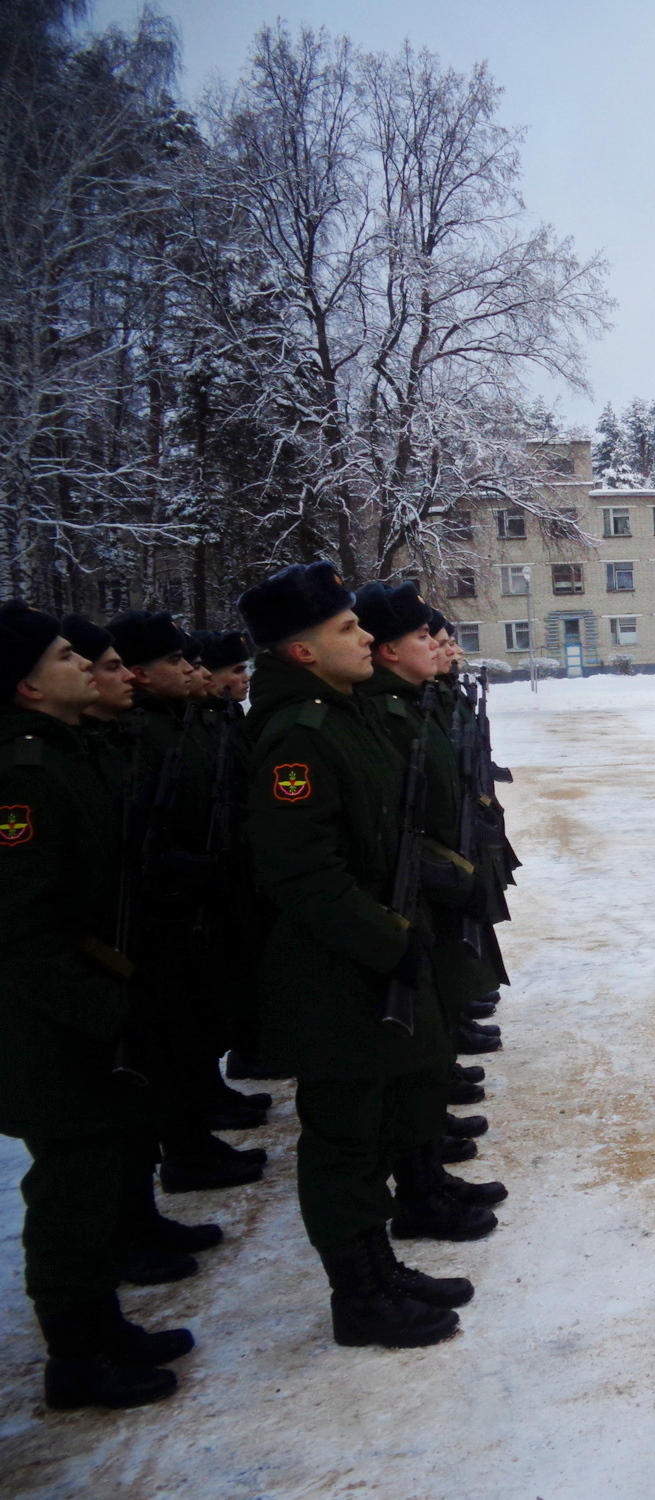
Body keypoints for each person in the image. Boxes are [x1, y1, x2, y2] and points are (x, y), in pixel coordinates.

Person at [238, 562, 466, 1349]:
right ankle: (359, 1296)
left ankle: (380, 1267)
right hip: (333, 970)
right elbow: (301, 874)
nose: (364, 635)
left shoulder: (343, 716)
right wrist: (388, 941)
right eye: (346, 629)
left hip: (371, 953)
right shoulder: (297, 739)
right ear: (301, 652)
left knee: (369, 1128)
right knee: (342, 1140)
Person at [0, 602, 195, 1411]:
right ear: (27, 690)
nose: (84, 661)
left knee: (108, 1172)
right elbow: (20, 931)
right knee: (72, 1193)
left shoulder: (70, 754)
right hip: (56, 1030)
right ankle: (74, 1358)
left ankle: (102, 1324)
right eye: (61, 657)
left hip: (98, 1009)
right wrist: (102, 1012)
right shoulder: (22, 777)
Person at [352, 581, 507, 1240]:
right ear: (389, 650)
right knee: (409, 1052)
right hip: (406, 904)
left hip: (433, 893)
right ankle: (416, 1191)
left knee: (431, 1036)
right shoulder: (379, 714)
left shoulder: (412, 704)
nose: (444, 648)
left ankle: (426, 1176)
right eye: (428, 638)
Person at [108, 610, 267, 1196]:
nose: (195, 671)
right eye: (179, 661)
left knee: (197, 1021)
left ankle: (200, 1120)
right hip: (165, 913)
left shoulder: (185, 723)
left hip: (205, 894)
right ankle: (185, 1146)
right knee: (171, 1033)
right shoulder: (142, 733)